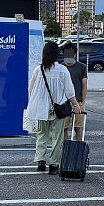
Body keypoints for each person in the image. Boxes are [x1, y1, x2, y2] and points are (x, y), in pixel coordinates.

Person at [27, 40, 78, 173]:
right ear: (57, 54)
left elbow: (30, 89)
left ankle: (40, 161)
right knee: (57, 137)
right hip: (58, 109)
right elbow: (69, 91)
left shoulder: (39, 69)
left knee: (42, 135)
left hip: (41, 109)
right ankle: (54, 164)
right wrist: (75, 104)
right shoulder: (62, 70)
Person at [62, 43, 87, 142]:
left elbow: (84, 84)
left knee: (78, 127)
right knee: (64, 127)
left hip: (78, 101)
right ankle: (65, 147)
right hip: (63, 103)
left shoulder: (82, 67)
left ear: (74, 55)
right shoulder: (61, 67)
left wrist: (83, 102)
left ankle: (78, 146)